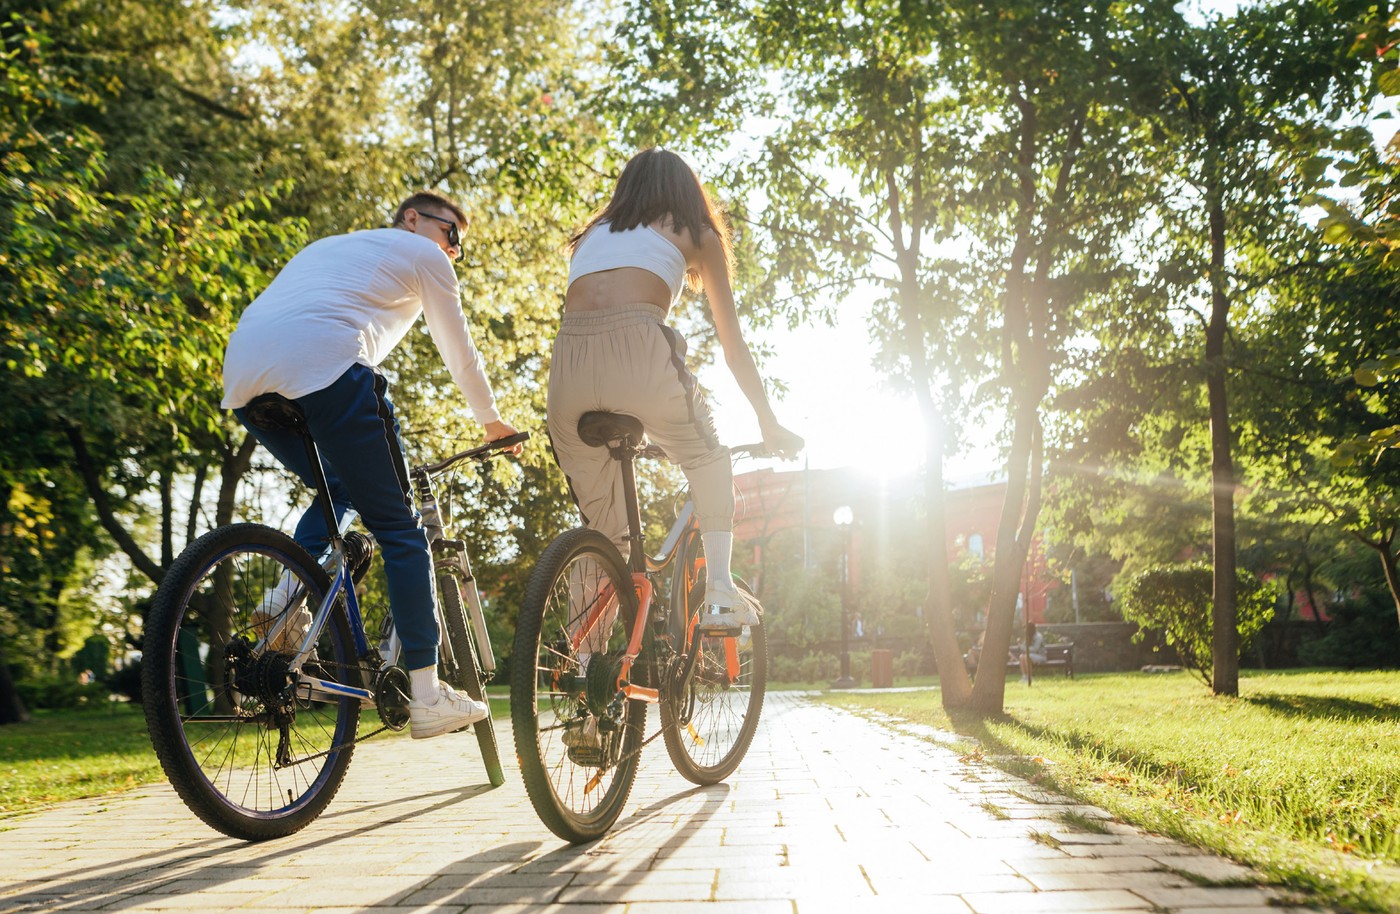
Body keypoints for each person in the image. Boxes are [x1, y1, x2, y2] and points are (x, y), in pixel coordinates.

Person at [221, 191, 520, 740]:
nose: (454, 250)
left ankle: (282, 601)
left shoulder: (333, 248)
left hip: (244, 377)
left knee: (339, 484)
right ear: (413, 219)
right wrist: (492, 421)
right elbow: (459, 347)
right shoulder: (421, 254)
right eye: (451, 234)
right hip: (326, 365)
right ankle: (427, 694)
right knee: (403, 532)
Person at [548, 148, 804, 635]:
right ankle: (722, 595)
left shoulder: (591, 236)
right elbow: (733, 347)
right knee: (708, 457)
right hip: (640, 350)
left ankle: (581, 667)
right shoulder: (695, 232)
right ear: (687, 190)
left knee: (603, 532)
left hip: (568, 365)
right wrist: (768, 422)